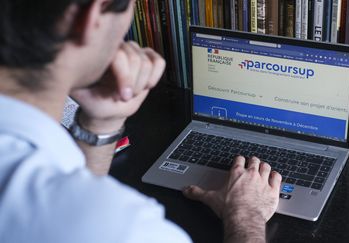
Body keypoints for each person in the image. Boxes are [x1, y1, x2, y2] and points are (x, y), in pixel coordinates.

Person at [0, 0, 282, 242]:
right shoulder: (129, 229)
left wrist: (100, 125)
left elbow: (69, 195)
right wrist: (246, 214)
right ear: (92, 17)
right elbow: (76, 212)